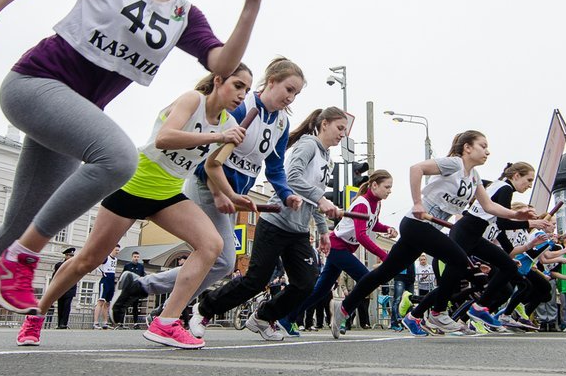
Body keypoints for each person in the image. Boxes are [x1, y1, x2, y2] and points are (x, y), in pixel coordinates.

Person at [0, 0, 274, 351]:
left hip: (76, 112)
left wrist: (252, 3)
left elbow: (222, 64)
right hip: (35, 85)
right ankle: (23, 260)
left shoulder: (183, 15)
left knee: (20, 220)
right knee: (118, 157)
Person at [15, 65, 252, 348]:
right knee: (87, 261)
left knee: (212, 245)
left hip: (167, 194)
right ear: (218, 80)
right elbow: (165, 138)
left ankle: (166, 322)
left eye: (247, 90)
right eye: (238, 85)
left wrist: (229, 195)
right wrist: (218, 137)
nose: (242, 95)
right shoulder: (193, 100)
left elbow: (213, 166)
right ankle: (35, 315)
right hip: (133, 185)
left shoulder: (226, 124)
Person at [108, 58, 303, 329]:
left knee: (219, 261)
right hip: (206, 184)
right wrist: (218, 192)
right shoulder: (241, 107)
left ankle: (153, 299)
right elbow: (206, 155)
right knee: (222, 259)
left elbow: (274, 168)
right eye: (289, 89)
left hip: (232, 195)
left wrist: (285, 194)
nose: (291, 98)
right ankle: (160, 304)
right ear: (271, 82)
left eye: (297, 94)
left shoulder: (280, 123)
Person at [331, 131, 536, 338]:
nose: (487, 151)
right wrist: (418, 203)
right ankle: (438, 312)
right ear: (467, 148)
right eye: (483, 146)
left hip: (424, 230)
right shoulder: (454, 164)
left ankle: (342, 309)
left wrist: (516, 214)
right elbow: (416, 169)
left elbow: (489, 206)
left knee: (384, 272)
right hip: (416, 224)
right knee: (459, 259)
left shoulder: (473, 177)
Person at [191, 107, 346, 341]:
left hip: (299, 231)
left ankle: (263, 317)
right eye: (340, 128)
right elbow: (292, 177)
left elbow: (314, 200)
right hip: (275, 223)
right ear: (324, 124)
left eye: (345, 130)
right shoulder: (307, 145)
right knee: (255, 281)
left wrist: (324, 231)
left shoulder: (328, 160)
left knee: (306, 283)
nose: (343, 134)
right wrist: (321, 198)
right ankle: (204, 309)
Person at [406, 162, 550, 332]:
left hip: (472, 235)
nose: (529, 185)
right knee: (449, 284)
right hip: (465, 233)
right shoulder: (505, 188)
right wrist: (531, 222)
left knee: (509, 266)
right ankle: (416, 315)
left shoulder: (498, 186)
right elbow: (503, 223)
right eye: (529, 180)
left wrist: (529, 240)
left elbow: (505, 239)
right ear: (516, 176)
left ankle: (479, 308)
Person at [278, 170, 398, 336]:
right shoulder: (363, 203)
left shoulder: (376, 203)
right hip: (337, 247)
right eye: (387, 187)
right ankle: (342, 310)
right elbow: (361, 236)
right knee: (366, 278)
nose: (389, 191)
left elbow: (373, 223)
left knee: (320, 291)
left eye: (390, 187)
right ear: (374, 185)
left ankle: (288, 318)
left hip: (344, 248)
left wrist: (387, 229)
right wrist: (384, 255)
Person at [93, 245, 120, 329]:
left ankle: (105, 322)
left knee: (107, 303)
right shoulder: (106, 258)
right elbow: (96, 263)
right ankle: (96, 322)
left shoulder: (115, 259)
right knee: (100, 301)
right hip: (105, 281)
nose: (117, 252)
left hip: (111, 281)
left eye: (118, 250)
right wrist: (102, 271)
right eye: (116, 250)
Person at [53, 247, 77, 330]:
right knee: (60, 306)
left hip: (70, 288)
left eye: (72, 255)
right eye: (70, 255)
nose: (71, 257)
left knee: (67, 306)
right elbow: (55, 277)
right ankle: (60, 323)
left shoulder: (75, 265)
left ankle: (64, 323)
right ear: (66, 256)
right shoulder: (59, 265)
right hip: (61, 288)